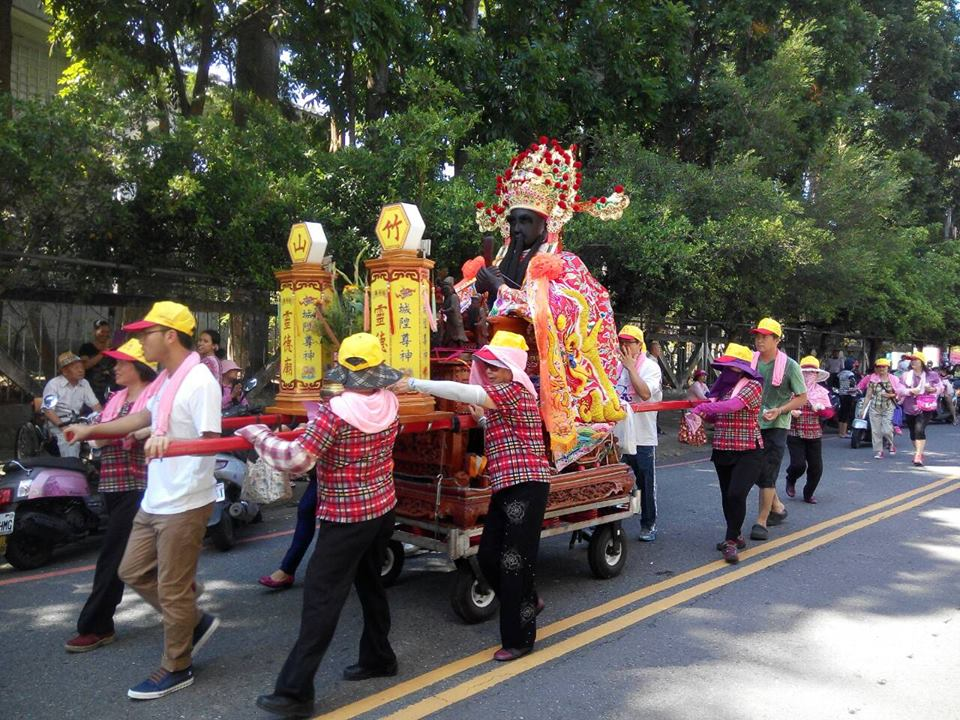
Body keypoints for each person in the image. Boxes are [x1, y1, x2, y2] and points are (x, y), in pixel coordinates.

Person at [236, 333, 403, 719]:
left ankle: (294, 692)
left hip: (346, 517)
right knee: (370, 585)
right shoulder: (390, 402)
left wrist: (258, 436)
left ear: (344, 368)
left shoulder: (336, 410)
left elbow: (298, 459)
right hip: (381, 508)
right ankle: (379, 657)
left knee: (322, 600)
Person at [66, 301, 222, 701]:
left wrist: (171, 442)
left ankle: (177, 665)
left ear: (169, 336)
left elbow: (211, 443)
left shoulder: (200, 380)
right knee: (131, 570)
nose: (138, 341)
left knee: (172, 590)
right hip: (156, 497)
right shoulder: (168, 381)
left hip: (186, 499)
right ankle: (194, 620)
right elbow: (140, 419)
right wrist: (89, 431)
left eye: (144, 333)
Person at [396, 331, 552, 662]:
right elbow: (492, 418)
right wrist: (479, 417)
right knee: (488, 557)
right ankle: (530, 598)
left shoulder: (517, 390)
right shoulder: (502, 401)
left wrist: (415, 384)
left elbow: (462, 390)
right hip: (506, 486)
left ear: (512, 368)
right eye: (486, 366)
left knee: (513, 563)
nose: (489, 371)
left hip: (527, 485)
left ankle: (520, 639)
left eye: (495, 366)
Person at [65, 339, 157, 652]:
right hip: (113, 484)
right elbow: (102, 441)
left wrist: (126, 432)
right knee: (146, 557)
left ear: (140, 366)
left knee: (113, 556)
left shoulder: (156, 395)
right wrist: (103, 433)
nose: (114, 368)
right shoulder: (116, 398)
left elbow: (155, 428)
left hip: (142, 485)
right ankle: (186, 601)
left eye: (122, 362)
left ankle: (96, 625)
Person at [688, 343, 764, 564]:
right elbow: (715, 417)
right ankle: (736, 534)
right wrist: (699, 412)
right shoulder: (720, 389)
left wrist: (704, 408)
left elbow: (732, 406)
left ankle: (730, 541)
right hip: (722, 447)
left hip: (748, 449)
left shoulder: (753, 386)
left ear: (740, 369)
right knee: (726, 496)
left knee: (736, 494)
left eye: (730, 367)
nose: (725, 372)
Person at [749, 318, 807, 541]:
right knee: (753, 469)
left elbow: (802, 398)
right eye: (757, 336)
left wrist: (781, 410)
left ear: (777, 339)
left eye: (765, 336)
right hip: (751, 424)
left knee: (769, 471)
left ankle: (761, 521)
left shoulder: (790, 366)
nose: (759, 340)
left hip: (776, 425)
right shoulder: (750, 361)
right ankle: (778, 506)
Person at [613, 325, 663, 542]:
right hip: (618, 437)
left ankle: (649, 524)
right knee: (613, 483)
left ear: (639, 345)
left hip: (643, 436)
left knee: (645, 482)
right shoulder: (614, 367)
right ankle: (609, 526)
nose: (624, 346)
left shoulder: (651, 367)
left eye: (630, 342)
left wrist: (631, 367)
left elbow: (643, 393)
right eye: (621, 341)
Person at [784, 357, 835, 504]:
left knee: (816, 468)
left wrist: (819, 410)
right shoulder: (791, 390)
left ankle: (808, 493)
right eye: (805, 372)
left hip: (814, 433)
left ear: (817, 375)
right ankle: (791, 479)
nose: (808, 375)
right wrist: (790, 412)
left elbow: (830, 414)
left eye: (812, 372)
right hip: (794, 432)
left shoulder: (821, 392)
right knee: (798, 464)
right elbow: (780, 407)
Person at [42, 351, 103, 457]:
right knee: (70, 440)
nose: (81, 370)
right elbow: (48, 410)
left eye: (82, 367)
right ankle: (71, 468)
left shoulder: (84, 383)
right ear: (65, 371)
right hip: (58, 423)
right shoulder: (54, 384)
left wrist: (103, 420)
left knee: (99, 435)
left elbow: (96, 406)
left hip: (77, 421)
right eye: (76, 368)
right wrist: (63, 427)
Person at [898, 352, 942, 466]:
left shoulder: (932, 375)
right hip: (909, 406)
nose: (913, 362)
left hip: (925, 406)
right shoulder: (905, 375)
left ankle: (918, 455)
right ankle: (919, 452)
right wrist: (910, 391)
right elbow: (899, 389)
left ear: (921, 362)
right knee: (913, 432)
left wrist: (932, 389)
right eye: (911, 360)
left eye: (915, 360)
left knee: (919, 430)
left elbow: (940, 387)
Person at [857, 358, 903, 459]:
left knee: (886, 429)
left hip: (888, 407)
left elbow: (899, 393)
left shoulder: (893, 379)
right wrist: (863, 410)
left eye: (884, 366)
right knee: (876, 431)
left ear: (888, 368)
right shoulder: (873, 379)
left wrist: (889, 395)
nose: (881, 368)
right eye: (879, 366)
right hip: (875, 408)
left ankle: (891, 444)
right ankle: (879, 451)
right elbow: (868, 395)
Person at [78, 319, 117, 403]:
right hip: (91, 389)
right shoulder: (86, 347)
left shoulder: (114, 350)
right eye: (102, 331)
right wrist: (104, 352)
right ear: (95, 331)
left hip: (111, 389)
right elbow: (85, 366)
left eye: (107, 332)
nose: (105, 334)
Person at [835, 358, 859, 438]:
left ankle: (840, 432)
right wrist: (856, 390)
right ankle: (843, 433)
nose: (854, 366)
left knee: (842, 413)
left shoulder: (840, 373)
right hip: (849, 395)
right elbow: (852, 385)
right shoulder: (850, 374)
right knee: (846, 414)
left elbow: (838, 384)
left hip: (841, 394)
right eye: (853, 364)